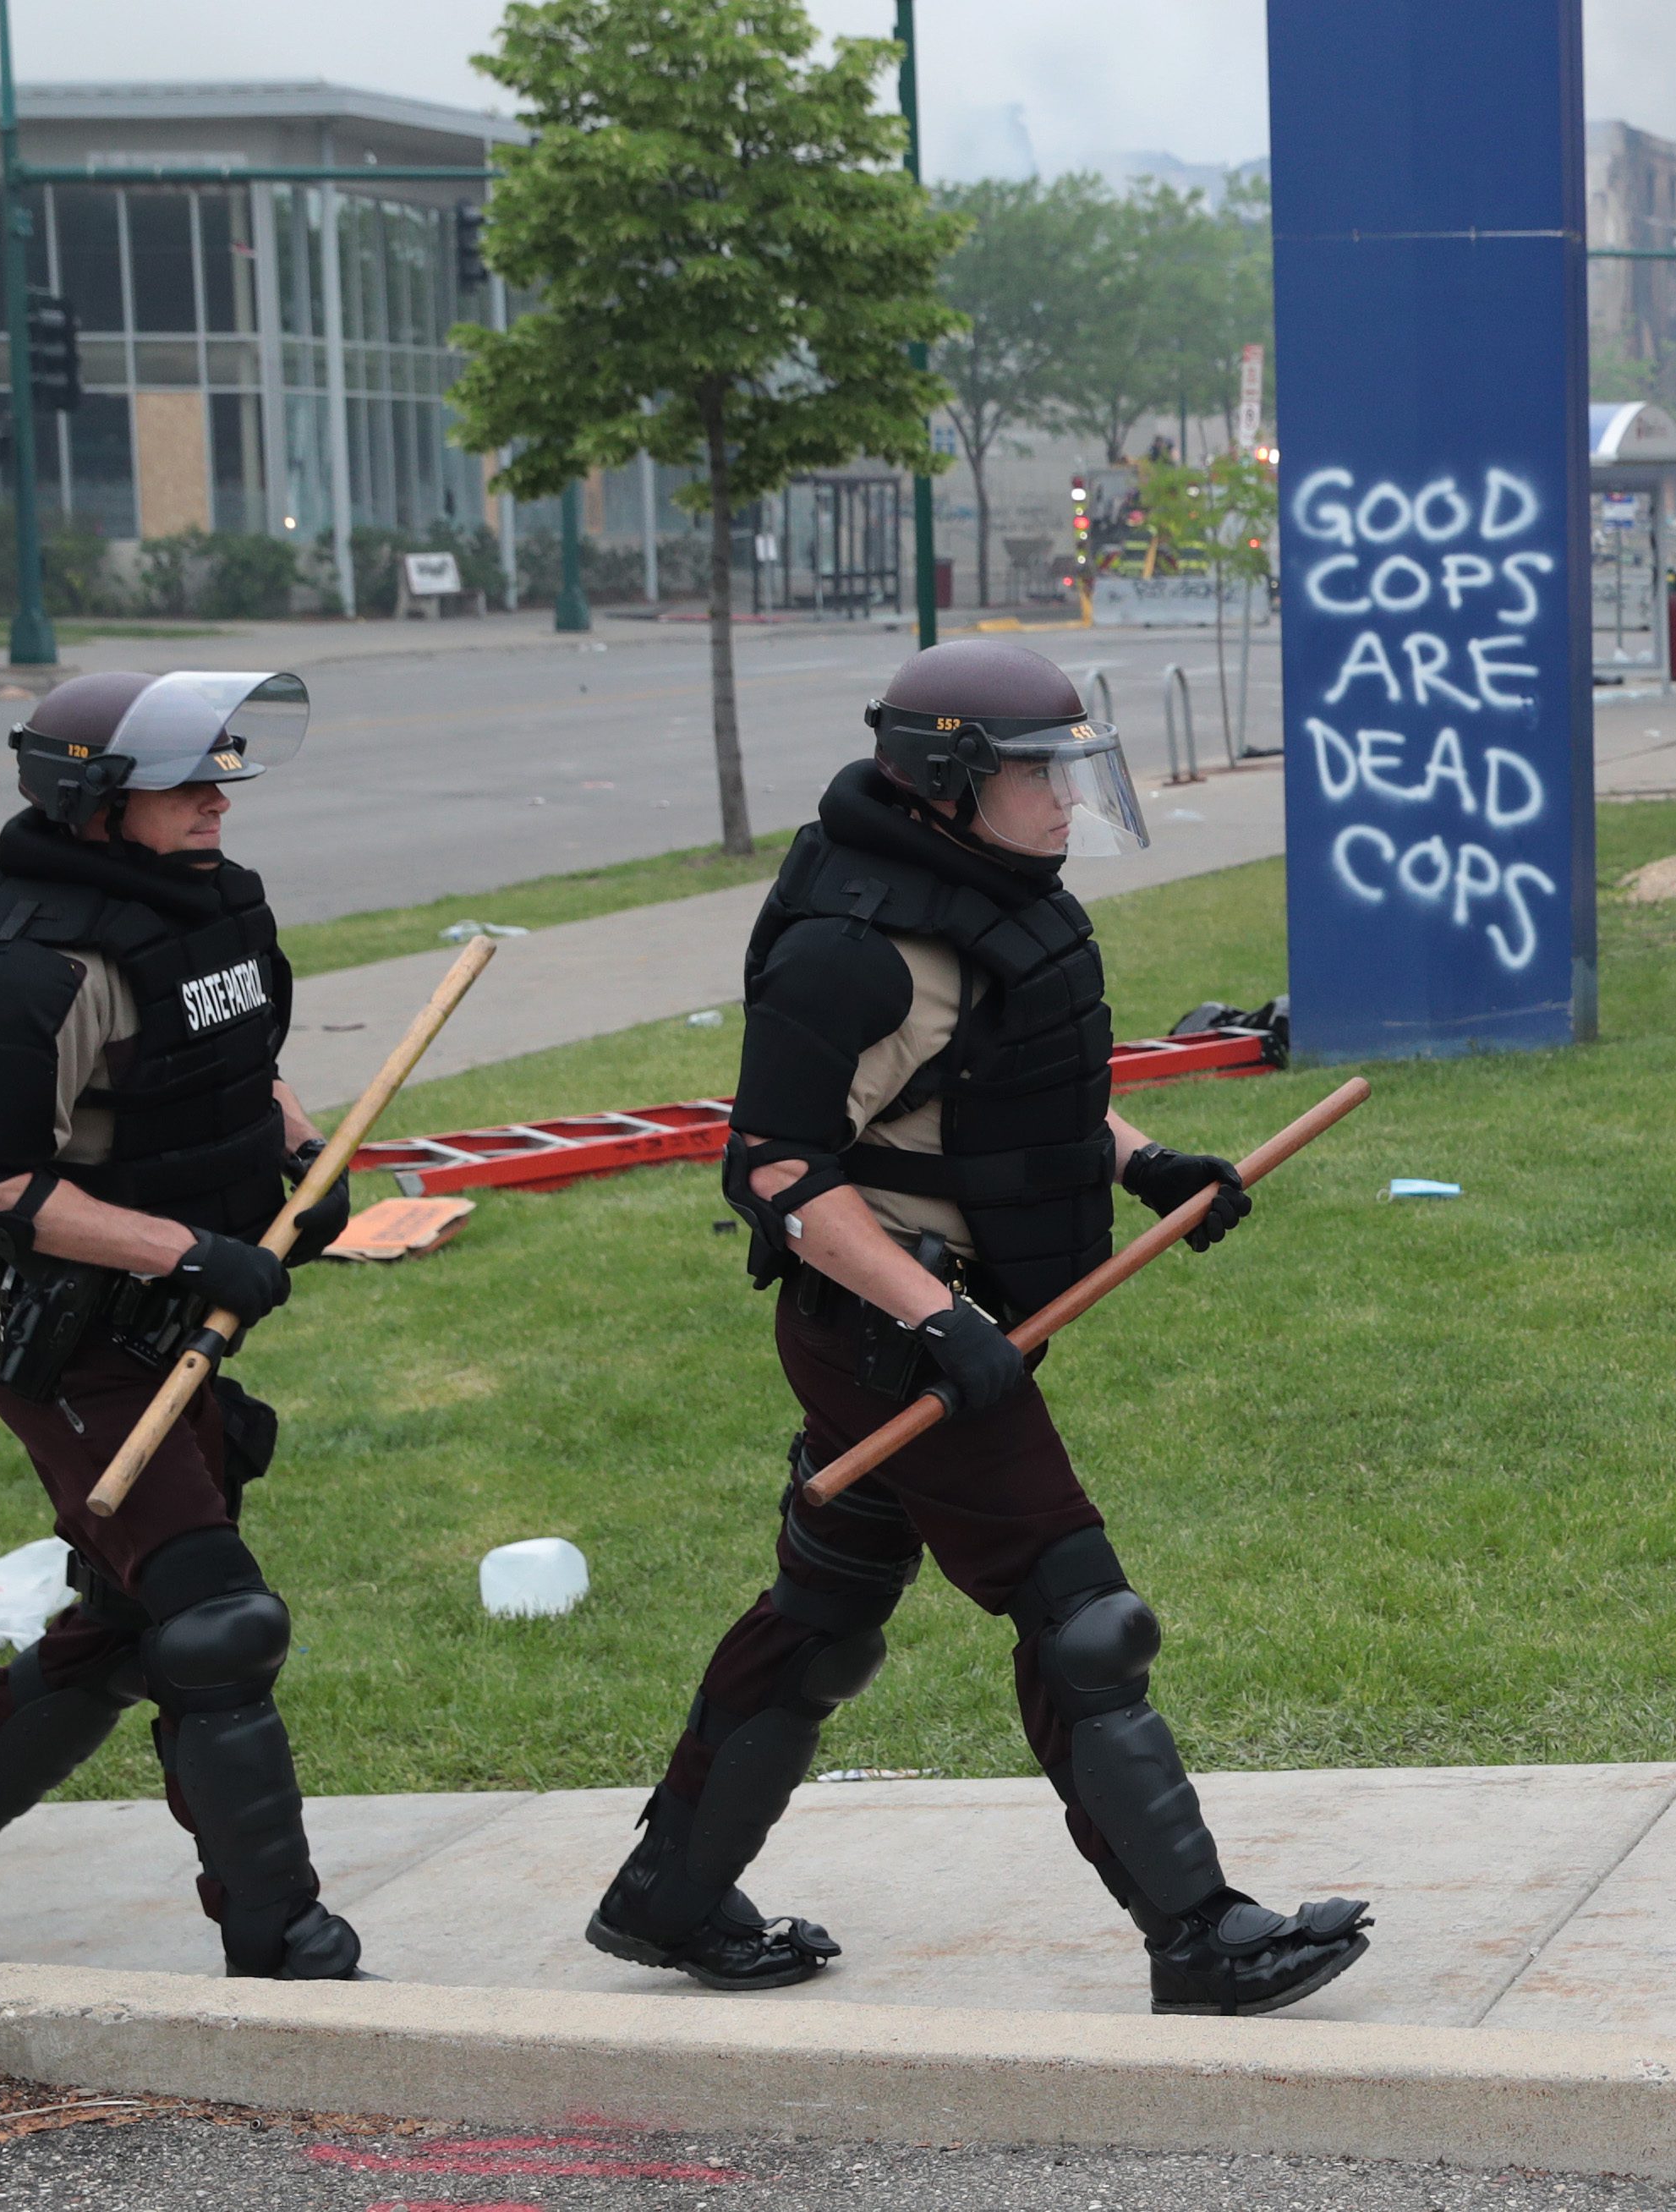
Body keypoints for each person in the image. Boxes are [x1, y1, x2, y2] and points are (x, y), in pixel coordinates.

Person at [584, 639, 1370, 2018]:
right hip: (889, 1335)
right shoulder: (859, 948)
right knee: (1084, 1616)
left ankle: (669, 1894)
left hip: (941, 1322)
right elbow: (772, 1169)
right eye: (1036, 774)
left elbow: (1013, 1089)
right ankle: (1200, 1933)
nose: (1067, 800)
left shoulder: (992, 898)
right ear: (949, 781)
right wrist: (935, 1315)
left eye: (1075, 768)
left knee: (824, 1614)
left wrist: (1144, 1161)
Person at [0, 668, 371, 1980]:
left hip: (177, 1316)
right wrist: (195, 1247)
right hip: (75, 1341)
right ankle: (282, 1938)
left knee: (128, 1625)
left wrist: (301, 1157)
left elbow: (231, 1058)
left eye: (216, 774)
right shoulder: (30, 970)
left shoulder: (206, 909)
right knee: (215, 1620)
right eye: (180, 781)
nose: (212, 798)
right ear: (91, 796)